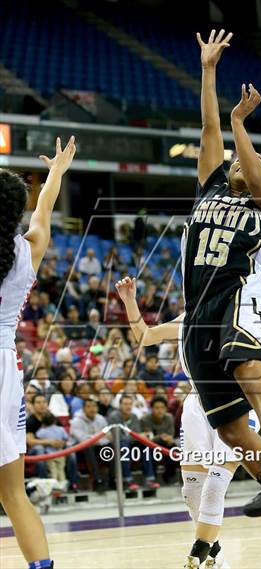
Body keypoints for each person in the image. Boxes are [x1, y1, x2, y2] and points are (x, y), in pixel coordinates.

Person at [174, 32, 261, 561]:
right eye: (233, 161)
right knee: (232, 428)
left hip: (240, 298)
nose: (237, 164)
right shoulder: (210, 188)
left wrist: (241, 126)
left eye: (246, 161)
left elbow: (252, 169)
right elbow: (208, 127)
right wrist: (208, 71)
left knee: (257, 380)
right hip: (197, 317)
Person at [115, 273, 261, 569]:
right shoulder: (188, 318)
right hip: (196, 404)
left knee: (215, 485)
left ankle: (196, 556)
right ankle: (215, 556)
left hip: (236, 404)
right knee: (191, 489)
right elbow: (145, 336)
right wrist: (130, 301)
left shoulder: (246, 316)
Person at [0, 135, 75, 569]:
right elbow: (44, 209)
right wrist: (56, 173)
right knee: (12, 493)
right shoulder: (28, 250)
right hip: (5, 370)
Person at [36, 412, 69, 482]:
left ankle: (55, 487)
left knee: (53, 471)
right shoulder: (61, 429)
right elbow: (66, 438)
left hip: (50, 455)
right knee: (61, 470)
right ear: (55, 421)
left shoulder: (42, 431)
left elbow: (37, 436)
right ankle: (63, 485)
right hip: (60, 454)